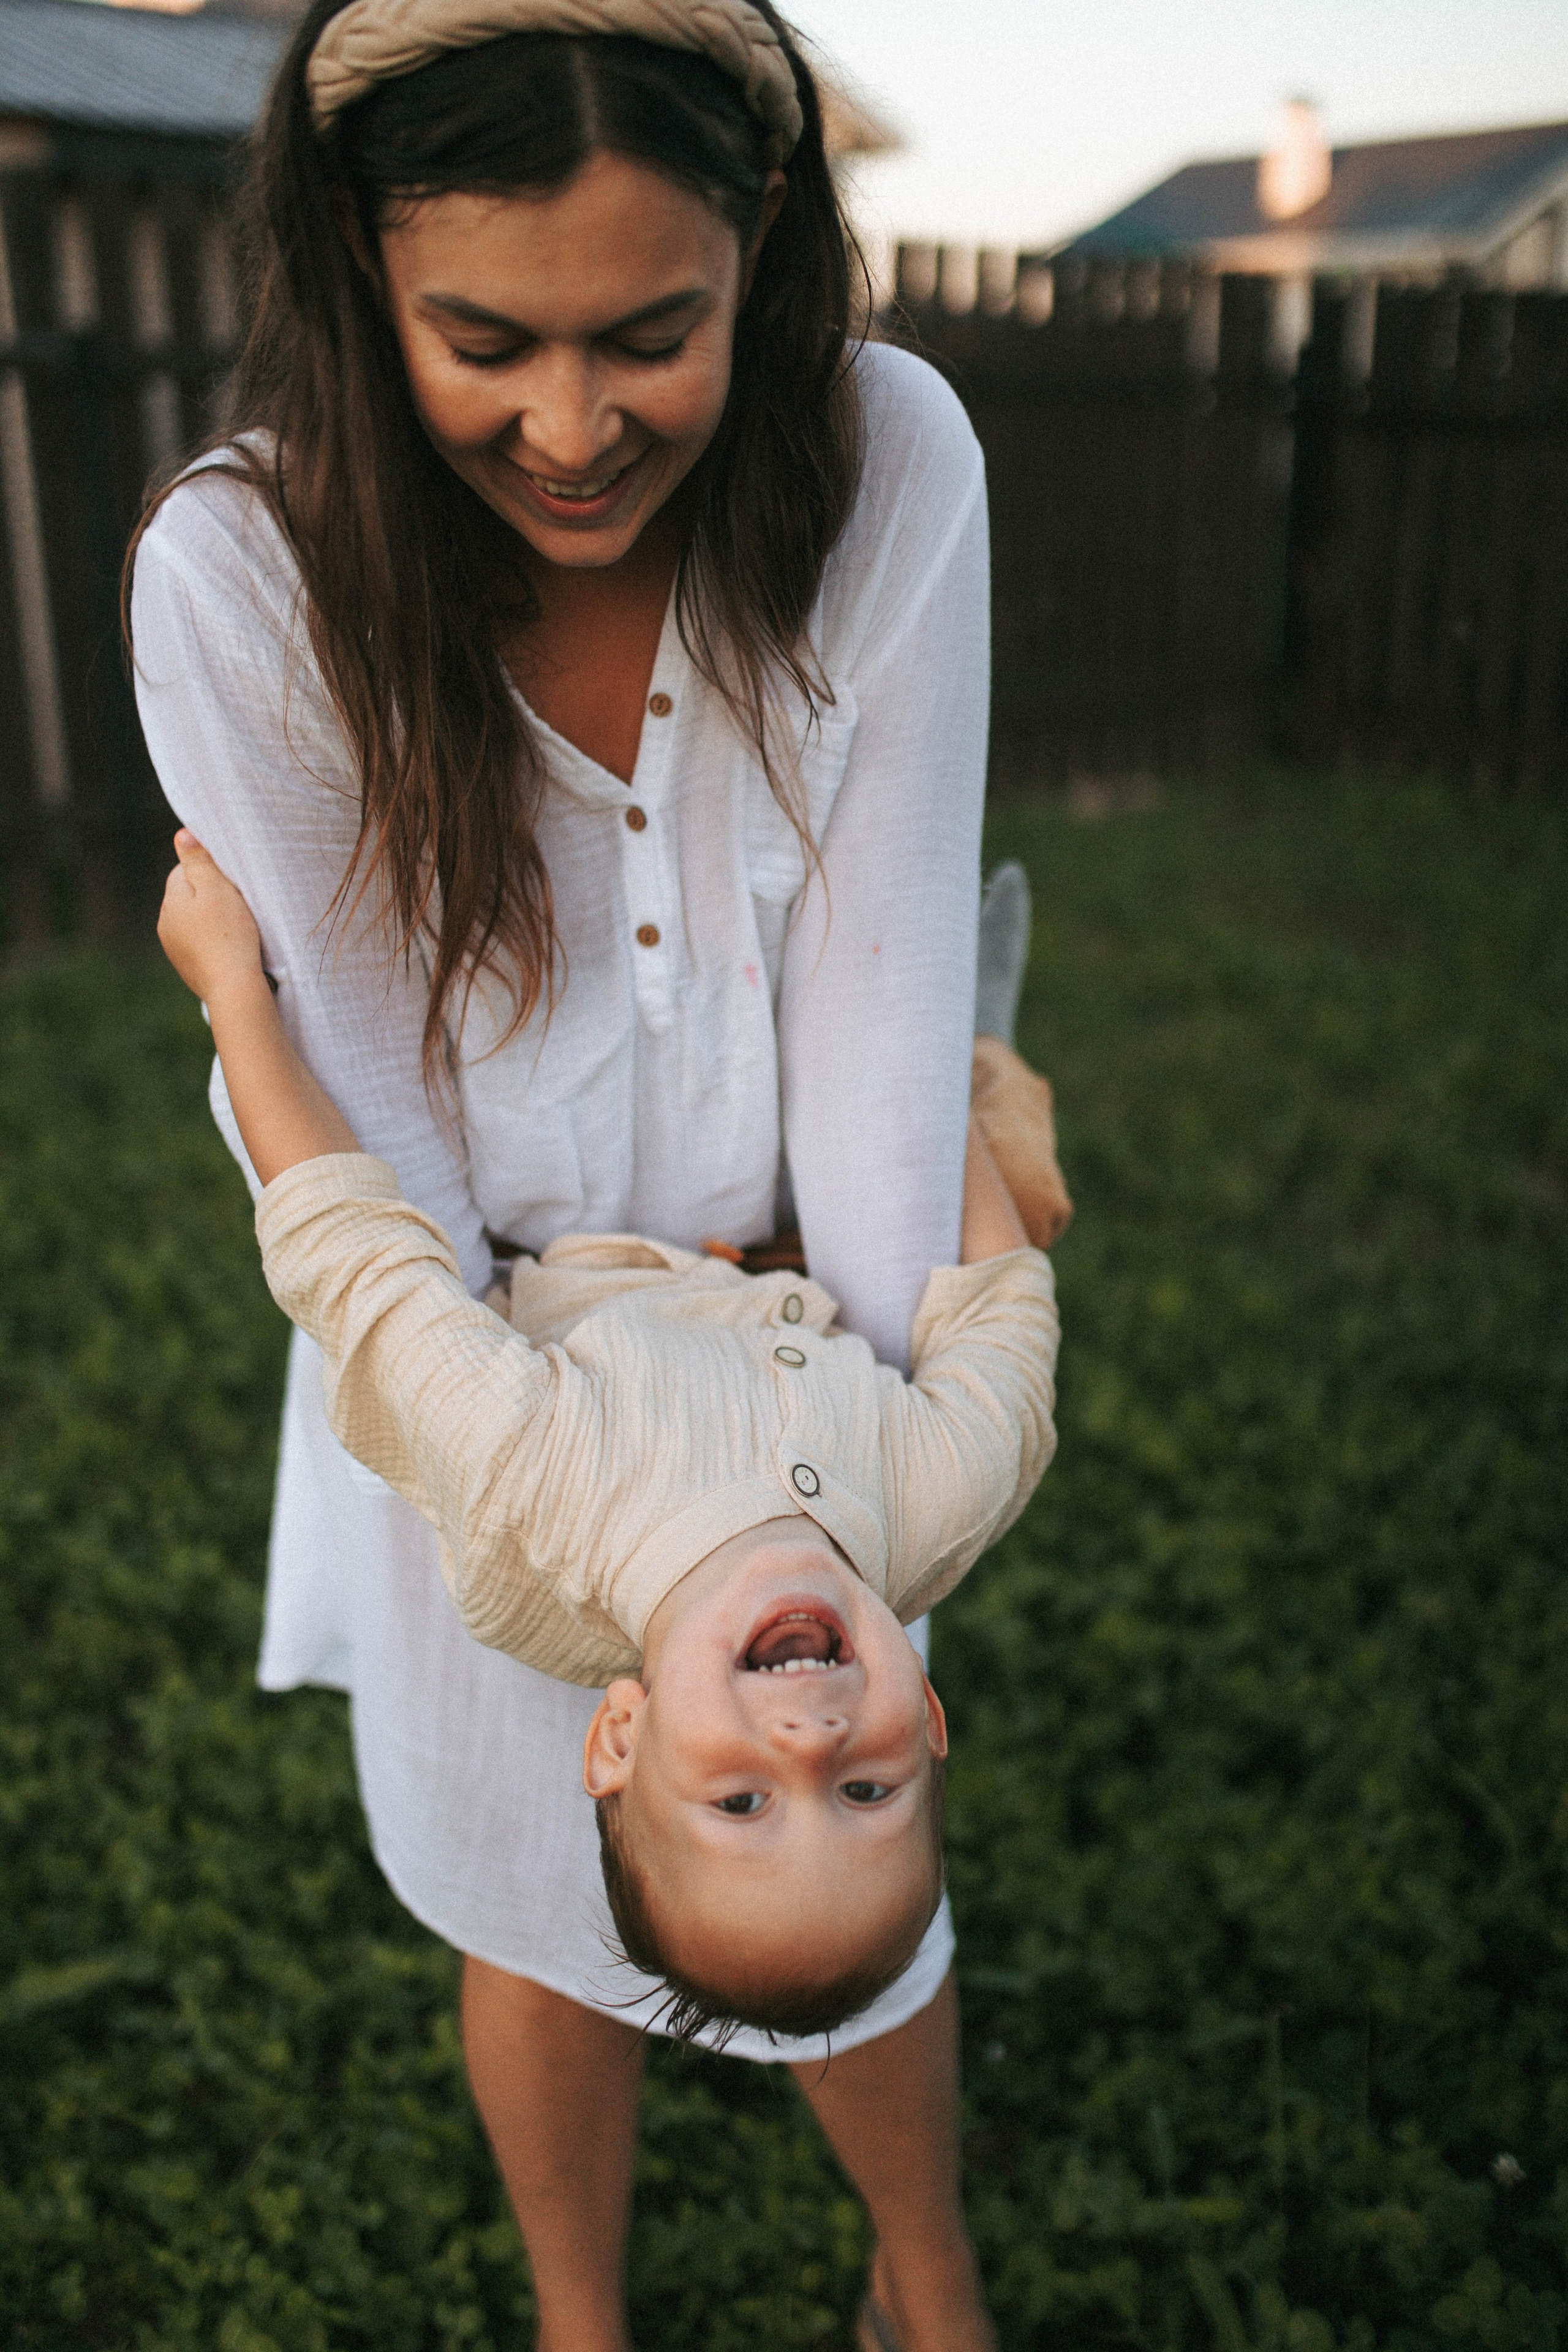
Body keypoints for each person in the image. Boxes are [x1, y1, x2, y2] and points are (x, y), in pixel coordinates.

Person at [126, 2, 1058, 2343]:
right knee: (521, 1887)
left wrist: (815, 1487)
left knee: (866, 1919)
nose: (572, 427)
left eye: (652, 336)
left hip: (807, 1343)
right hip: (463, 1381)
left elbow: (875, 1005)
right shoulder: (242, 574)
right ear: (359, 264)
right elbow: (386, 1187)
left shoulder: (885, 459)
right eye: (483, 340)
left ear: (761, 235)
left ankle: (926, 2285)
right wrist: (545, 1504)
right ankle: (580, 2316)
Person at [156, 827, 1061, 2042]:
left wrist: (231, 996)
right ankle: (977, 1029)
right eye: (866, 1788)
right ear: (931, 1722)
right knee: (1023, 1190)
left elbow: (350, 1258)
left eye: (739, 1802)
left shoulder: (539, 1494)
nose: (808, 1737)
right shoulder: (936, 1501)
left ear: (622, 1734)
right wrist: (929, 1071)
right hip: (812, 1199)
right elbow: (1002, 1328)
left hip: (558, 1195)